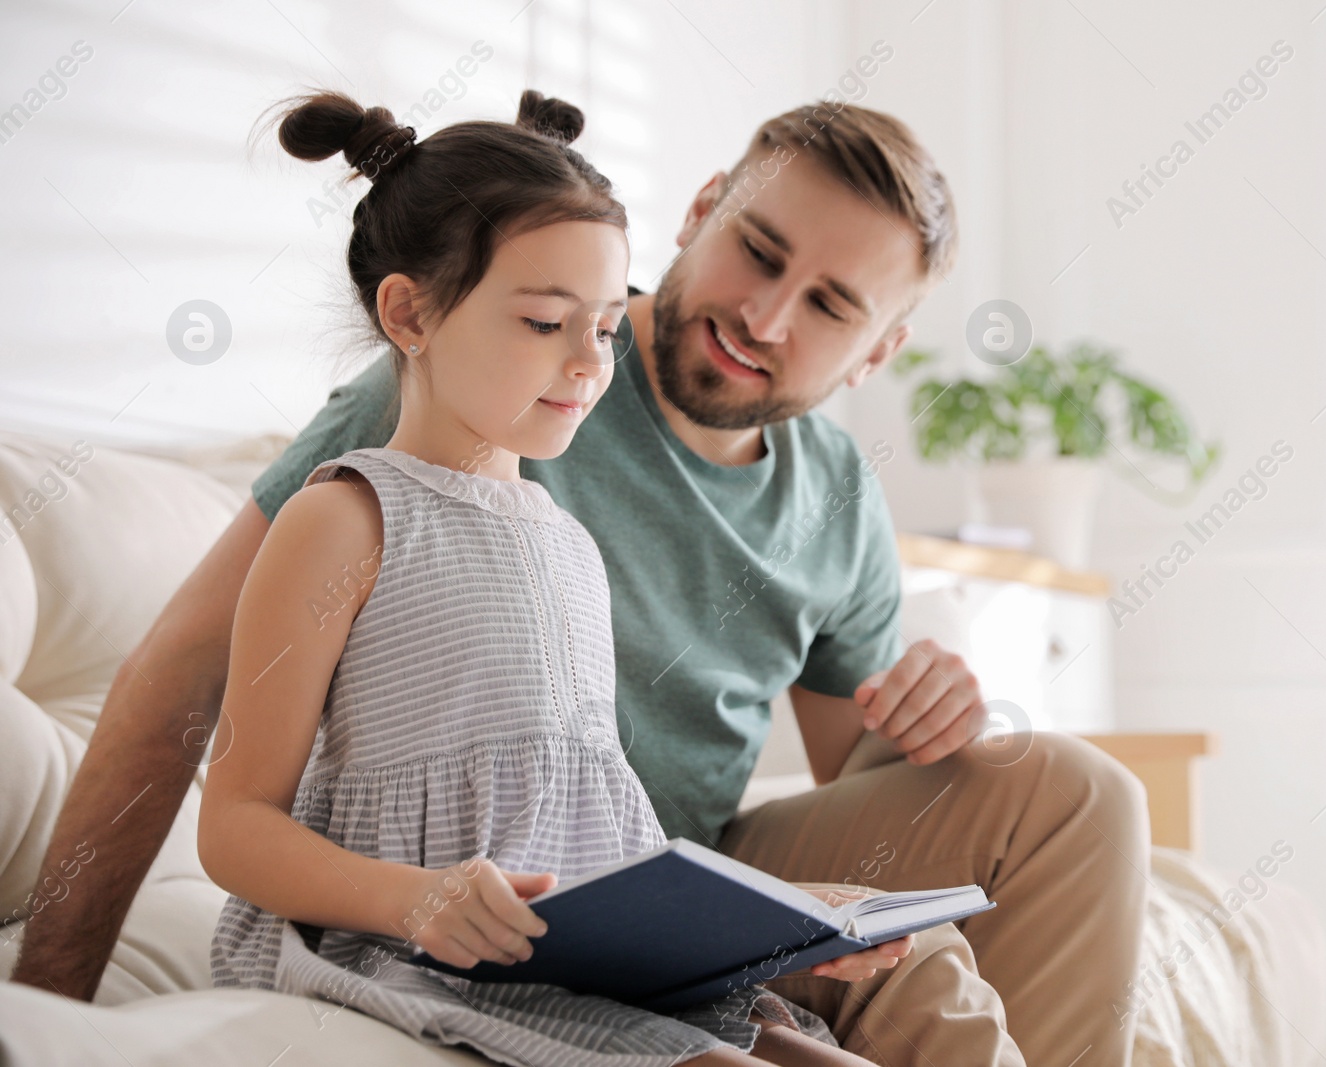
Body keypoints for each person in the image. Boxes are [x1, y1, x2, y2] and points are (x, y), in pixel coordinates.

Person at [12, 90, 1150, 1067]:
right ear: (701, 208)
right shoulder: (467, 388)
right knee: (916, 976)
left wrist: (923, 720)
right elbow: (182, 682)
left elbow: (847, 768)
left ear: (879, 348)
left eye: (830, 305)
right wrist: (53, 1005)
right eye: (758, 251)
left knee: (1081, 791)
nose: (764, 316)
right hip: (499, 886)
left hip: (656, 861)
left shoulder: (828, 487)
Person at [199, 87, 903, 1067]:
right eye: (544, 322)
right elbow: (233, 828)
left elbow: (593, 820)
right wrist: (420, 897)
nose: (588, 363)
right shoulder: (344, 520)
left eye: (609, 325)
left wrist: (795, 915)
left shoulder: (566, 542)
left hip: (564, 958)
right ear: (408, 312)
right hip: (408, 948)